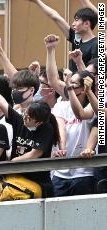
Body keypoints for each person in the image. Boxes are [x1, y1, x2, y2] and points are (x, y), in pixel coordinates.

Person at [45, 35, 96, 196]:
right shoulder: (61, 105)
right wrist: (51, 49)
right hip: (61, 173)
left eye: (74, 84)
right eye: (69, 83)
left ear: (83, 89)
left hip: (84, 172)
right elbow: (53, 79)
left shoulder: (94, 106)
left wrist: (70, 86)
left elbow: (81, 114)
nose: (69, 86)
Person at [29, 0, 98, 73]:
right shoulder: (76, 38)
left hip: (84, 83)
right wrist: (37, 2)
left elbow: (93, 75)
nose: (73, 23)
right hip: (70, 81)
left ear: (87, 24)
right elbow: (55, 17)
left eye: (76, 20)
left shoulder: (96, 45)